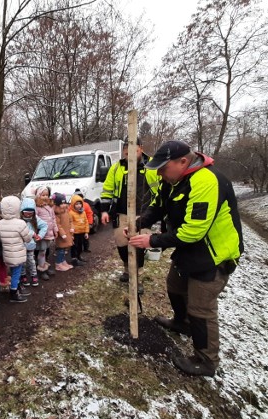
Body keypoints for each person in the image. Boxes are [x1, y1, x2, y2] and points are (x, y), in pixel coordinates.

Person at [127, 140, 244, 377]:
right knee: (175, 286)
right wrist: (140, 223)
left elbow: (194, 231)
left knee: (201, 308)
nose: (159, 173)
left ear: (183, 161)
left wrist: (151, 241)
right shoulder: (171, 179)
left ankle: (206, 361)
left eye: (163, 167)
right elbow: (158, 206)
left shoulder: (206, 181)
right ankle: (182, 322)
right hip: (189, 250)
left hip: (213, 254)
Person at [100, 137, 160, 292]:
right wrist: (105, 210)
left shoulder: (153, 165)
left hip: (144, 214)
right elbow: (107, 189)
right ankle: (127, 270)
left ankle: (137, 276)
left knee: (139, 246)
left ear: (141, 148)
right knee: (122, 245)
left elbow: (162, 189)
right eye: (126, 152)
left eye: (133, 150)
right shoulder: (117, 168)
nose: (129, 155)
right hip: (121, 214)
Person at [0, 195, 33, 302]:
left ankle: (17, 287)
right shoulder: (20, 223)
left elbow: (0, 238)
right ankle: (14, 292)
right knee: (17, 273)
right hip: (18, 254)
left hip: (7, 254)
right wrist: (30, 233)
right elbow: (27, 239)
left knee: (13, 272)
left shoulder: (0, 223)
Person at [20, 197, 47, 287]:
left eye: (30, 213)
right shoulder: (19, 219)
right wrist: (32, 233)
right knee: (22, 262)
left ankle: (33, 275)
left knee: (31, 261)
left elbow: (44, 225)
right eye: (26, 213)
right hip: (21, 245)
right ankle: (23, 275)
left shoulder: (35, 219)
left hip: (31, 245)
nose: (28, 215)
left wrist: (40, 236)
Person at [34, 186, 57, 280]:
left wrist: (55, 229)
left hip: (49, 233)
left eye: (47, 195)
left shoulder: (49, 207)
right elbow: (35, 220)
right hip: (42, 233)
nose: (45, 197)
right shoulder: (37, 208)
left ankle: (44, 266)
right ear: (38, 196)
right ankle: (41, 269)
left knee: (46, 250)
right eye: (43, 195)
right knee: (42, 251)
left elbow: (53, 219)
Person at [53, 193, 74, 271]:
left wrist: (72, 228)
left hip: (68, 233)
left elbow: (71, 221)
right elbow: (57, 225)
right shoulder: (57, 213)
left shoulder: (66, 211)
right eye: (61, 203)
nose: (64, 205)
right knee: (60, 249)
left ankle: (63, 261)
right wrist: (62, 233)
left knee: (64, 249)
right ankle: (58, 263)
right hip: (61, 235)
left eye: (64, 203)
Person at [69, 193, 90, 266]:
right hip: (75, 233)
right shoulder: (71, 213)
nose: (78, 205)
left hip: (82, 232)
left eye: (80, 204)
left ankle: (78, 256)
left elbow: (86, 222)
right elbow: (70, 224)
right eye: (76, 204)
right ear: (73, 204)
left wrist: (86, 232)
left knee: (80, 246)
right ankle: (74, 259)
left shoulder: (83, 212)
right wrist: (71, 234)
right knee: (74, 246)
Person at [73, 188, 94, 253]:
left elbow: (89, 214)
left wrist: (90, 223)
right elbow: (90, 214)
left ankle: (83, 249)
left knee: (84, 238)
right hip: (80, 225)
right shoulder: (85, 204)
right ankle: (84, 248)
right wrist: (90, 223)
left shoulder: (84, 205)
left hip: (84, 224)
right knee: (84, 238)